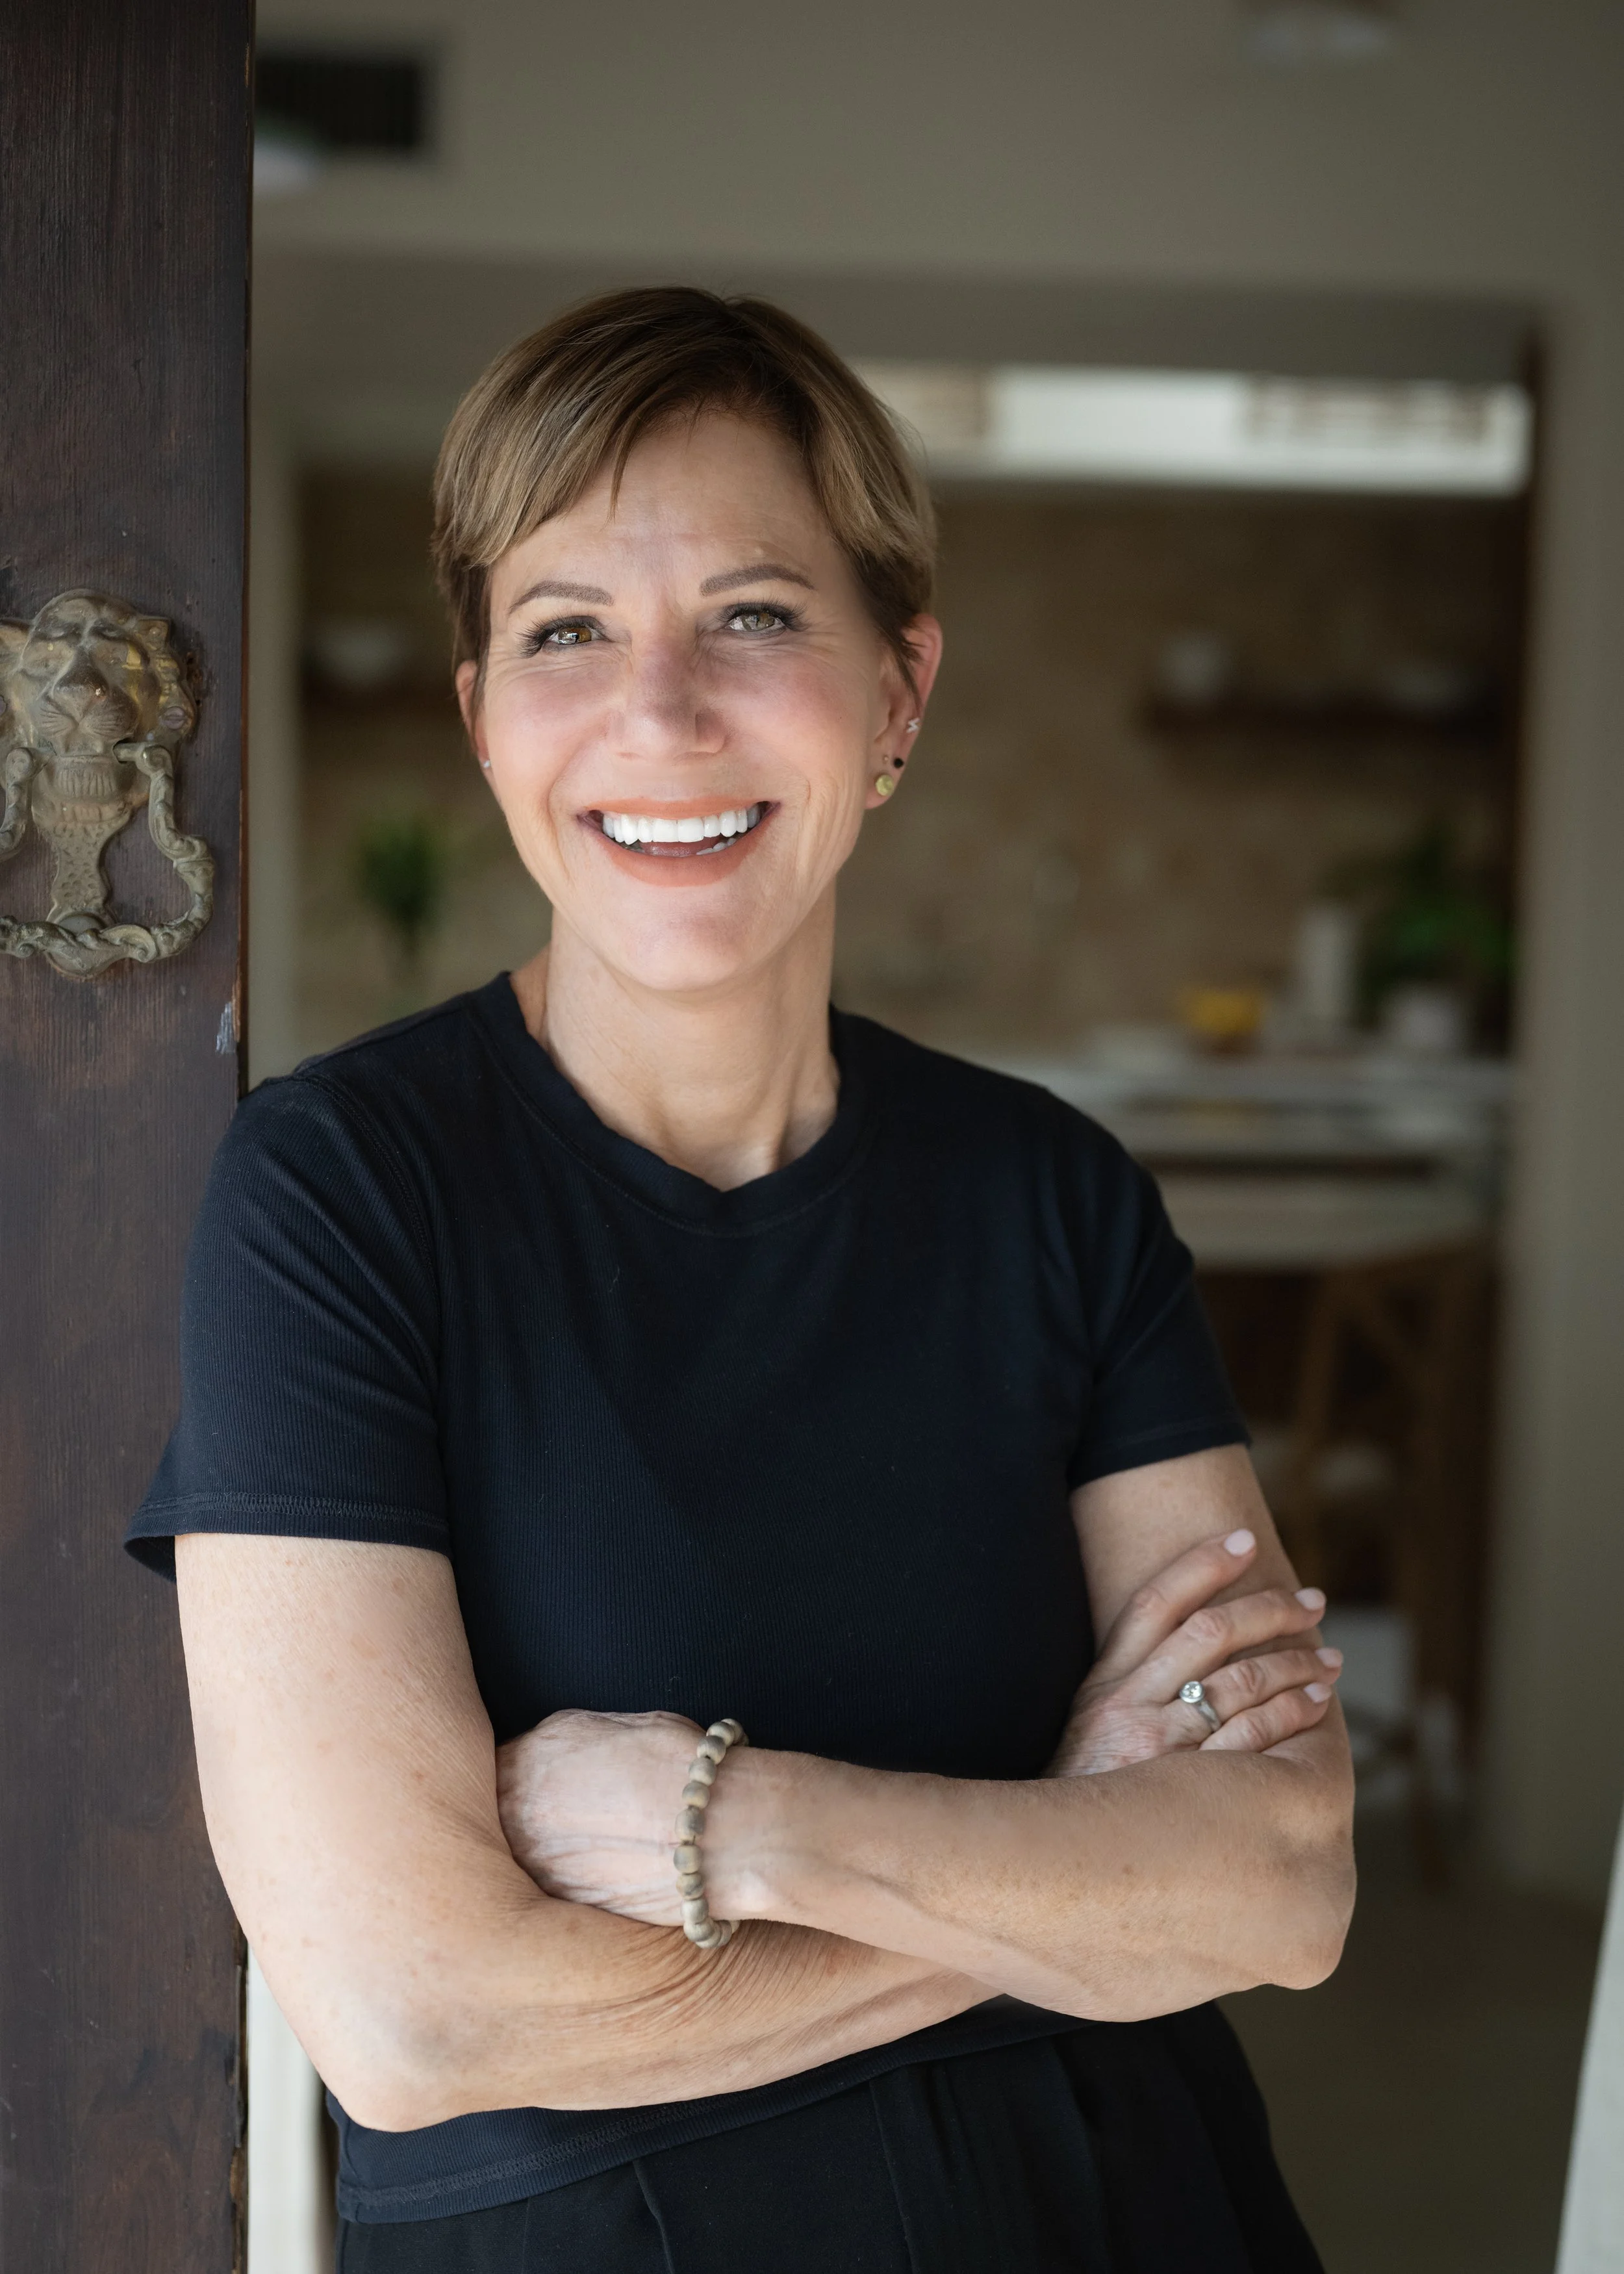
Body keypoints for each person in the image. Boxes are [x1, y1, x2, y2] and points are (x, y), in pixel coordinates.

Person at [127, 287, 1354, 2272]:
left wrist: (737, 1824)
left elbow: (1281, 1885)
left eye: (757, 613)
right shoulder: (338, 1194)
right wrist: (1065, 1855)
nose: (662, 711)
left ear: (898, 693)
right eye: (566, 630)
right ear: (484, 716)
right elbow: (413, 2012)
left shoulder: (1052, 1196)